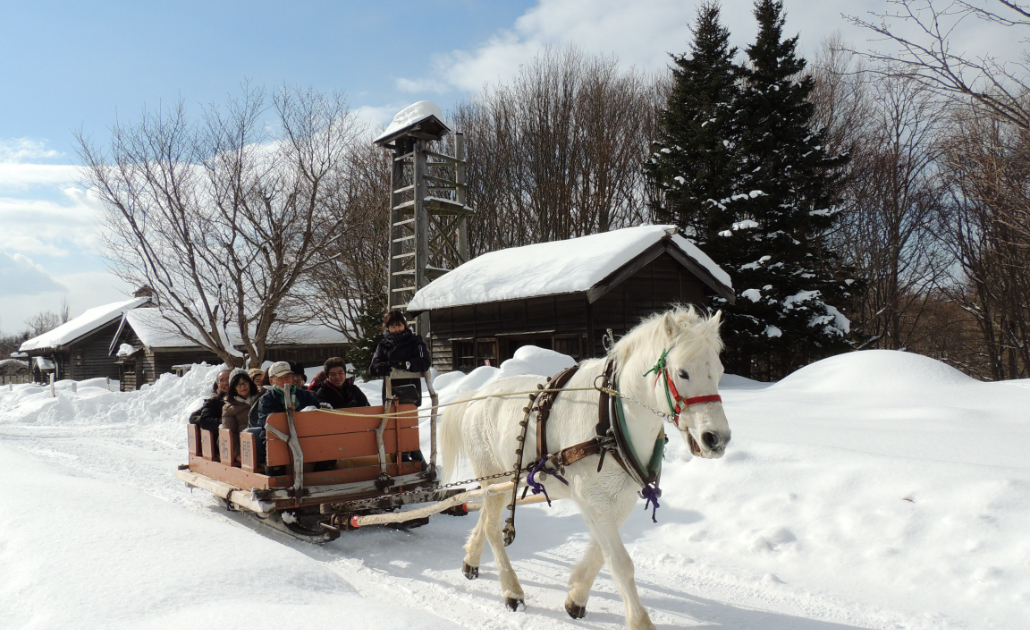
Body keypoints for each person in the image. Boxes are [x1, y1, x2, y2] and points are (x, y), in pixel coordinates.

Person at [244, 361, 324, 468]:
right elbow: (267, 423)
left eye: (288, 376)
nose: (285, 381)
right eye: (280, 378)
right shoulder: (266, 399)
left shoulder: (305, 395)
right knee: (276, 457)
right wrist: (291, 414)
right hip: (277, 439)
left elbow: (318, 413)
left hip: (306, 438)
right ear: (272, 381)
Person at [369, 311, 431, 403]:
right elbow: (373, 367)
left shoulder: (415, 342)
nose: (397, 329)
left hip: (411, 392)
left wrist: (405, 364)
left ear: (404, 325)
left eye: (399, 325)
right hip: (389, 394)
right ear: (388, 328)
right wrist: (383, 367)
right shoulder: (383, 345)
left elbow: (424, 362)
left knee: (408, 416)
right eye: (393, 327)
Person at [195, 368, 230, 433]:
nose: (226, 383)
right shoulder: (213, 402)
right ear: (218, 384)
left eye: (228, 379)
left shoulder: (242, 398)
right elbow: (205, 421)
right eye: (222, 380)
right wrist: (226, 421)